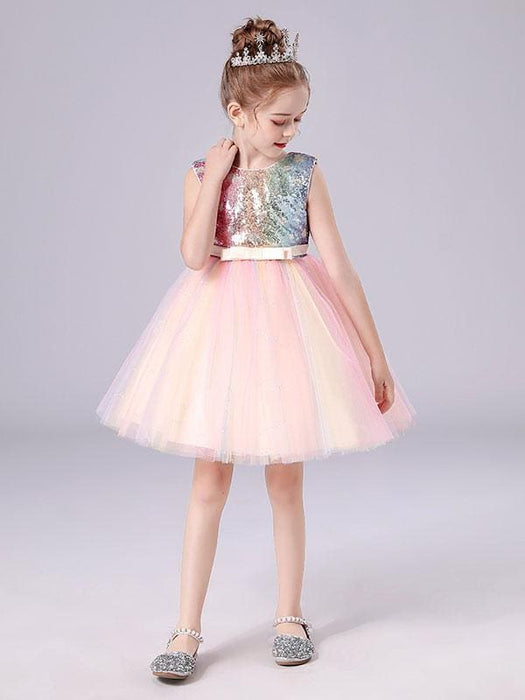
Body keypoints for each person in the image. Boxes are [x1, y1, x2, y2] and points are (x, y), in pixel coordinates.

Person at [95, 16, 416, 680]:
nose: (290, 131)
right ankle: (186, 628)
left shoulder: (305, 174)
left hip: (292, 327)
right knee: (208, 480)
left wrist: (374, 354)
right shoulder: (200, 172)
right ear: (237, 113)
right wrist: (215, 176)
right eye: (279, 120)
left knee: (284, 478)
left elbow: (341, 269)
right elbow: (193, 256)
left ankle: (289, 616)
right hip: (218, 329)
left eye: (298, 119)